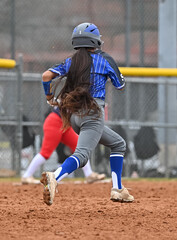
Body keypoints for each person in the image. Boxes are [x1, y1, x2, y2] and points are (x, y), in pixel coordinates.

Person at [40, 22, 134, 205]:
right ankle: (55, 177)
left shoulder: (71, 61)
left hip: (75, 116)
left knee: (118, 144)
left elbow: (46, 76)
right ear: (96, 41)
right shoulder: (105, 59)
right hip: (93, 113)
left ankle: (118, 189)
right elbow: (120, 85)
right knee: (82, 156)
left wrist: (50, 97)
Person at [21, 106, 105, 184]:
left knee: (80, 147)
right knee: (45, 153)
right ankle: (26, 176)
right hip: (54, 121)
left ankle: (89, 174)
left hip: (66, 123)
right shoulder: (70, 94)